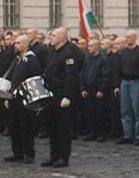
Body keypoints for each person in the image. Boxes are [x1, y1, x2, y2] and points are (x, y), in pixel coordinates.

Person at [41, 27, 82, 167]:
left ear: (62, 38)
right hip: (51, 94)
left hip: (61, 94)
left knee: (63, 128)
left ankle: (63, 157)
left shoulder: (68, 54)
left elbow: (71, 77)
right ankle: (54, 155)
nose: (50, 37)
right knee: (52, 127)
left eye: (53, 35)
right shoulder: (51, 52)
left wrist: (67, 96)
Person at [5, 34, 43, 164]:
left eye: (18, 43)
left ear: (26, 45)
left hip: (25, 98)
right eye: (15, 43)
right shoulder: (17, 60)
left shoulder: (32, 60)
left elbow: (34, 78)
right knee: (14, 126)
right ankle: (17, 152)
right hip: (14, 97)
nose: (15, 45)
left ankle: (29, 153)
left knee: (26, 127)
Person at [114, 30, 139, 145]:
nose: (127, 39)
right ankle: (127, 134)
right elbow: (118, 70)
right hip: (124, 82)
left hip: (136, 82)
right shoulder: (123, 53)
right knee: (125, 110)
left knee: (137, 110)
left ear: (134, 38)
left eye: (129, 37)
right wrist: (117, 85)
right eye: (126, 37)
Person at [80, 37, 110, 142]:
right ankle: (92, 132)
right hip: (88, 89)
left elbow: (106, 76)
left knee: (100, 113)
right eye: (89, 45)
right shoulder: (87, 59)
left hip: (98, 89)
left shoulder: (103, 59)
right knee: (90, 113)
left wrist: (102, 90)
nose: (89, 48)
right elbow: (83, 74)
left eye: (92, 46)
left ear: (97, 47)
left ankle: (101, 133)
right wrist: (82, 88)